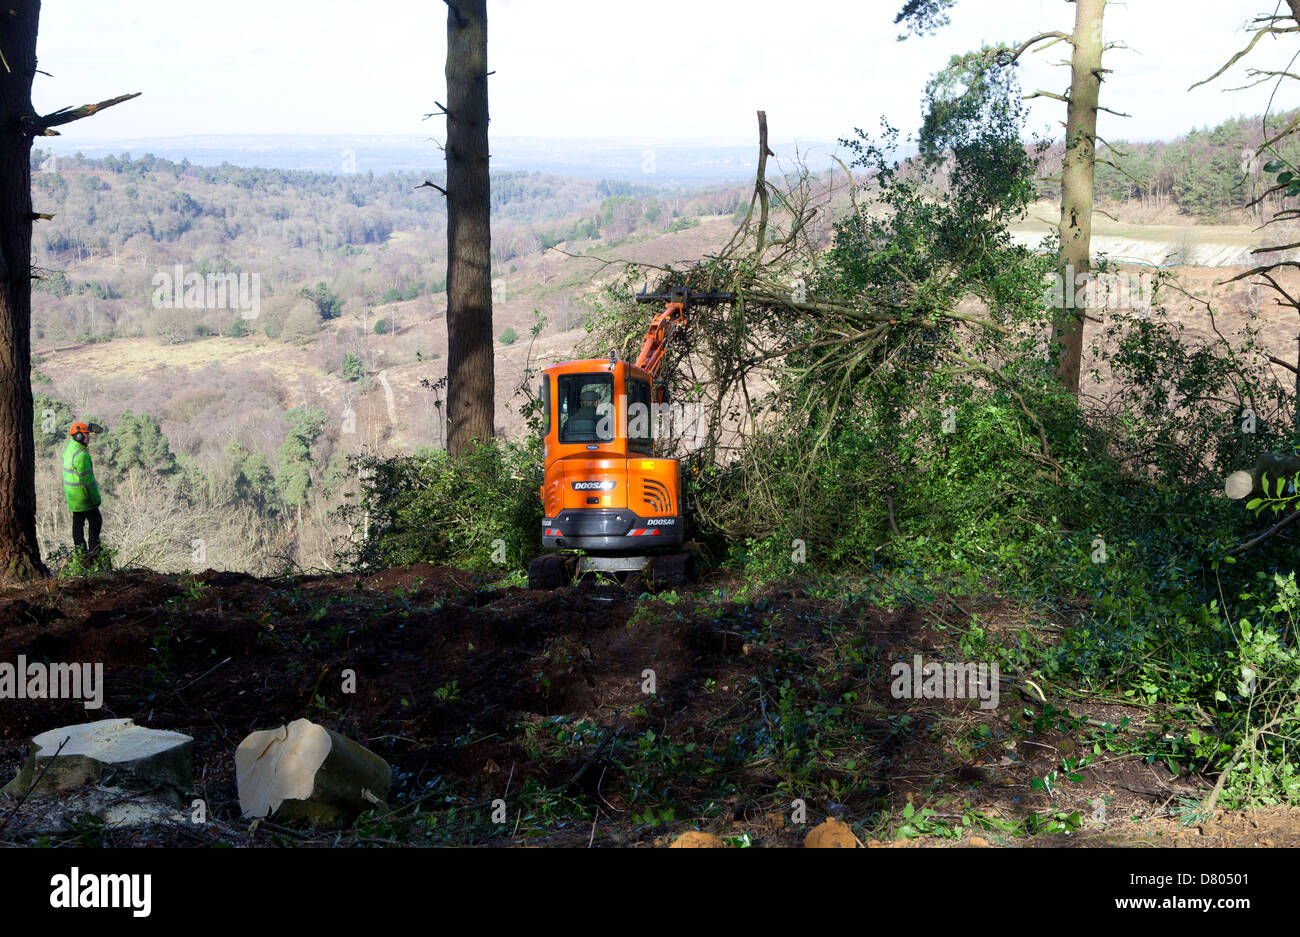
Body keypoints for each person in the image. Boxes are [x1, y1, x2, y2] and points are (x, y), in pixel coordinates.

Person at [62, 421, 103, 559]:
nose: (89, 437)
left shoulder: (70, 449)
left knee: (78, 524)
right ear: (78, 436)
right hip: (83, 497)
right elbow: (88, 481)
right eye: (86, 434)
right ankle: (94, 550)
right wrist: (96, 499)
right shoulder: (81, 455)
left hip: (73, 496)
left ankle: (80, 552)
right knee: (96, 521)